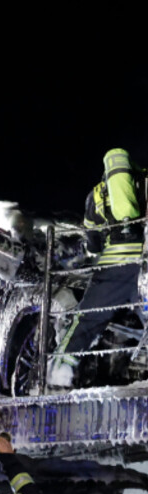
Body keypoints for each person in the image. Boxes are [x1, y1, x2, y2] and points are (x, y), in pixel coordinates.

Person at [50, 148, 146, 387]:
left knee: (86, 321)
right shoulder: (143, 180)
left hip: (114, 268)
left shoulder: (96, 195)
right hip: (144, 264)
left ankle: (58, 374)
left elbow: (92, 244)